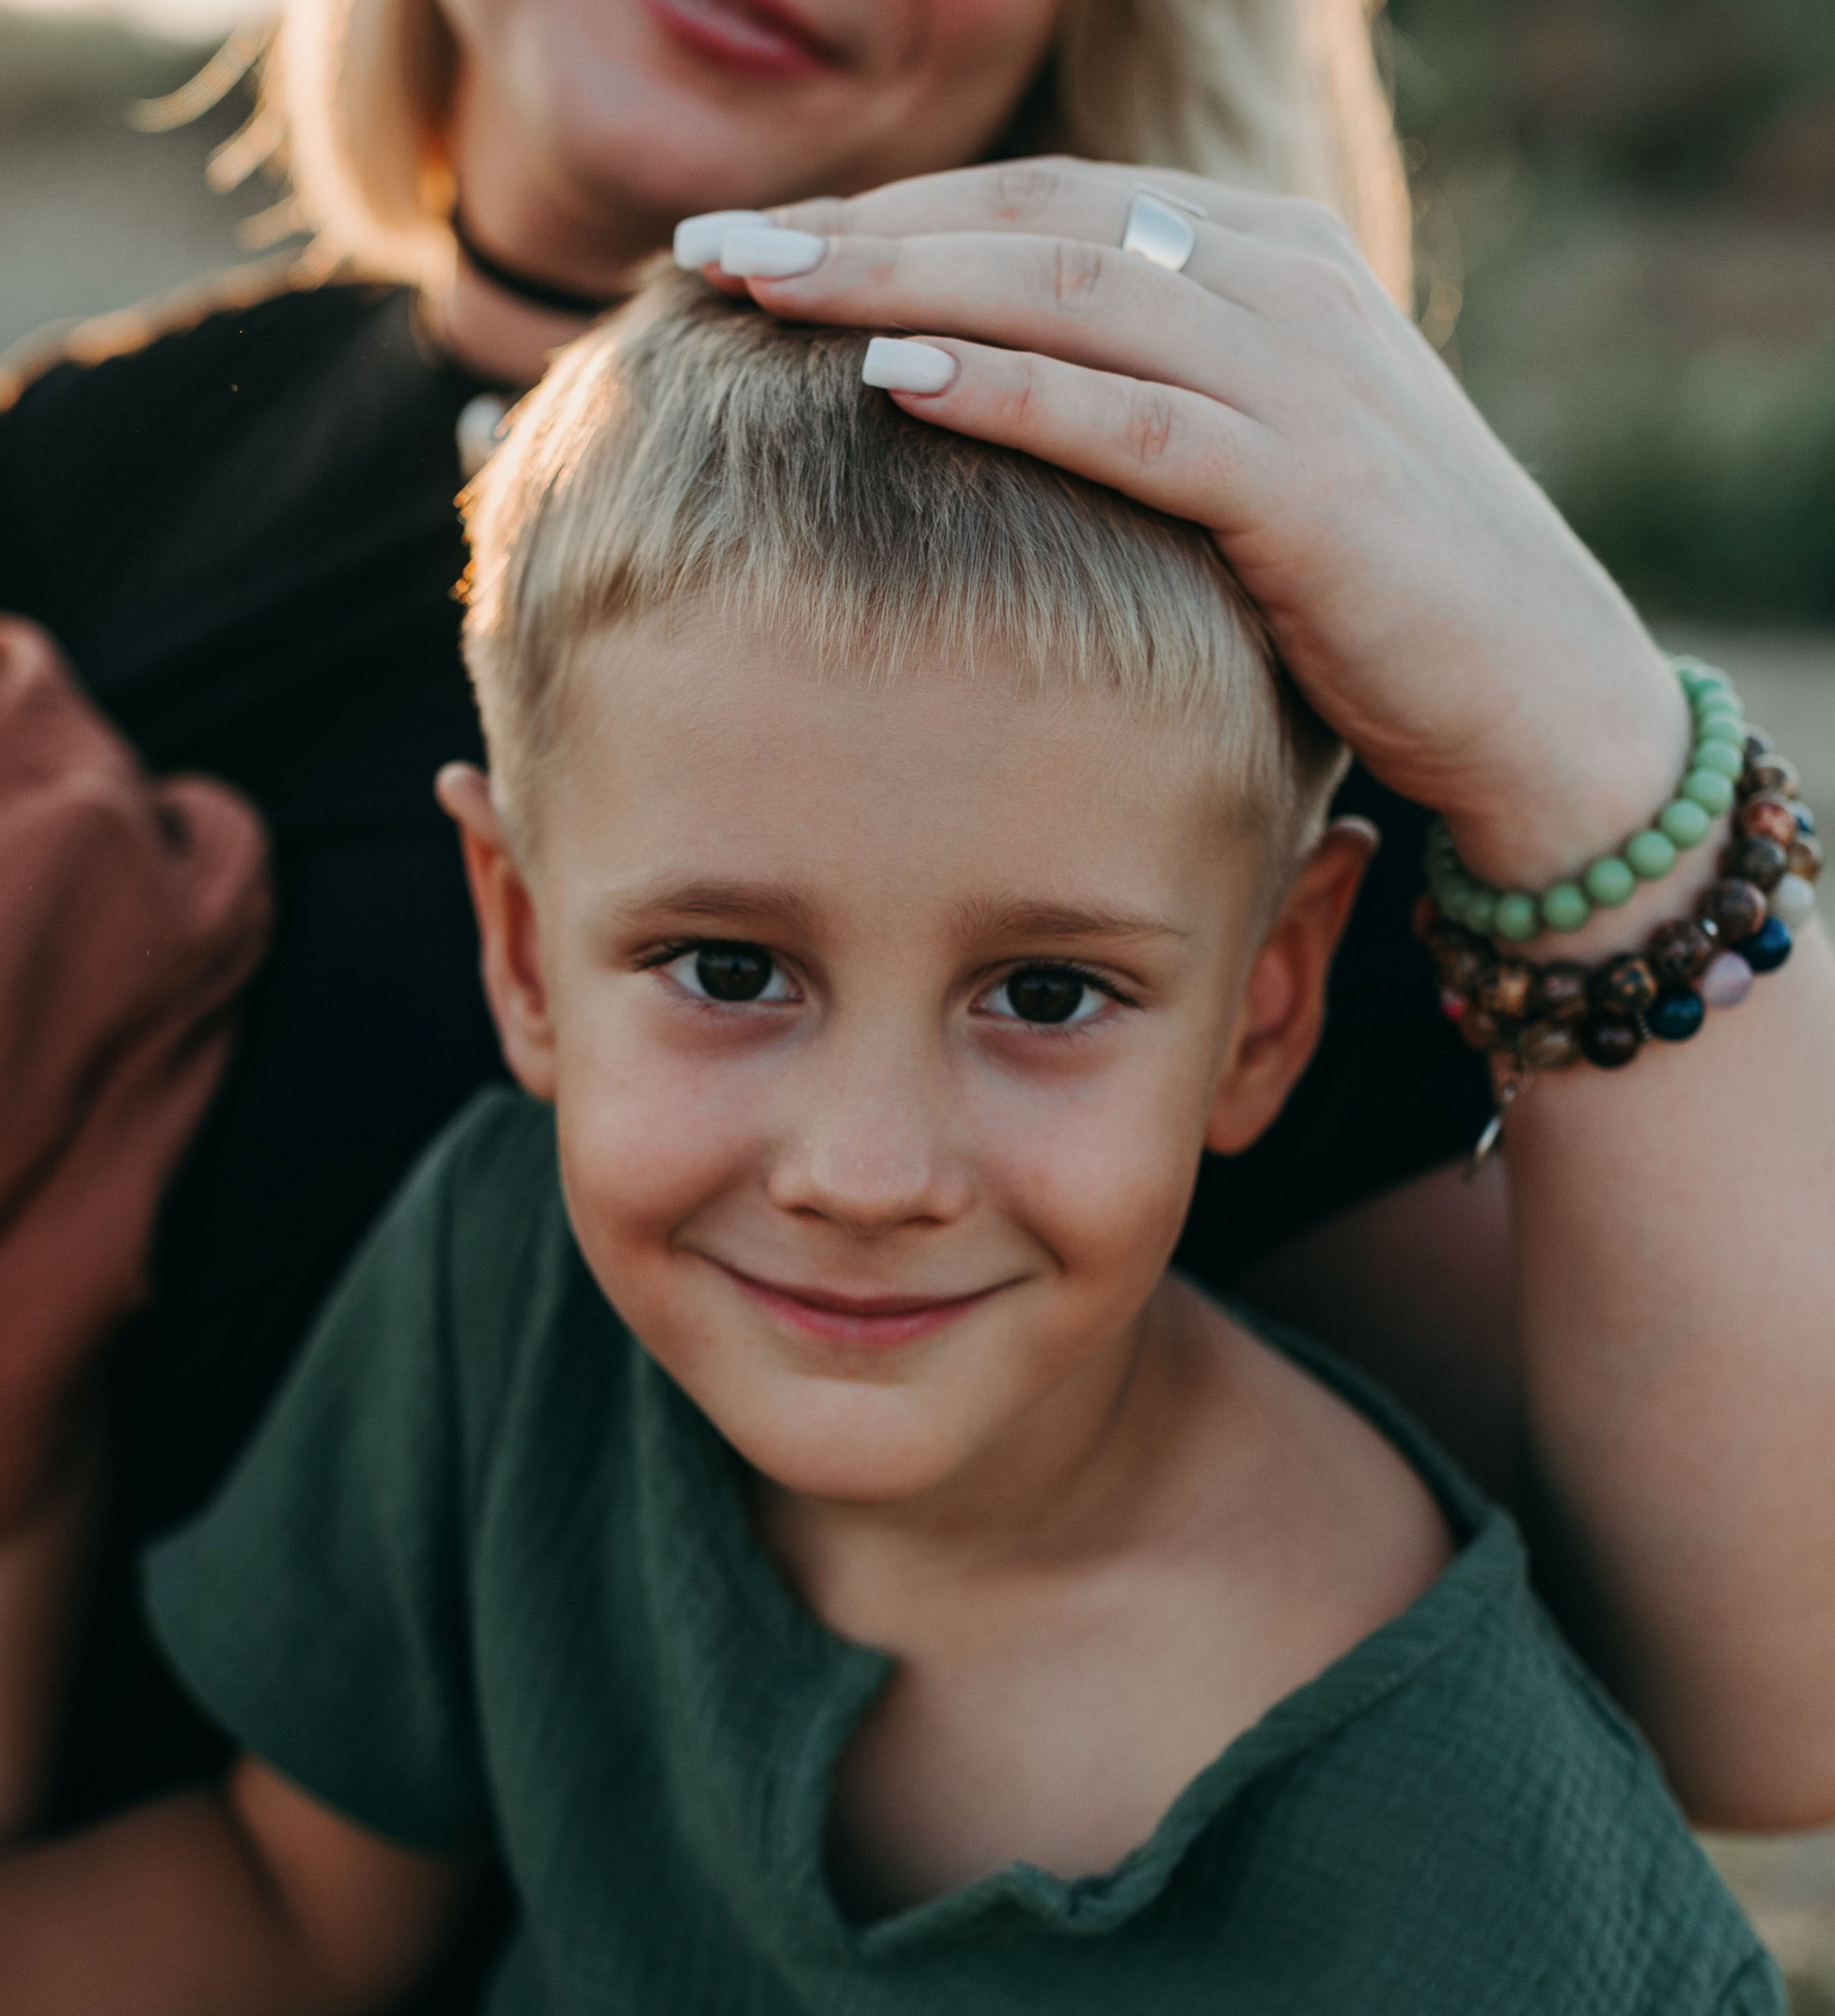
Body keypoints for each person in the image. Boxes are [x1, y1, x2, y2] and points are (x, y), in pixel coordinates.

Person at [0, 0, 1829, 1853]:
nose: (866, 1159)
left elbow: (1783, 1695)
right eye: (725, 964)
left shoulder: (1183, 621)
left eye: (1036, 990)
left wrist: (1598, 747)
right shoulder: (79, 474)